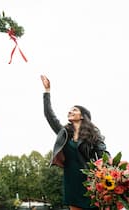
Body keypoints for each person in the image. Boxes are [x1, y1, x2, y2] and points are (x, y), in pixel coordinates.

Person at [40, 75, 109, 210]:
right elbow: (49, 116)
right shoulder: (64, 133)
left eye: (75, 110)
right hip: (71, 181)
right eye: (70, 109)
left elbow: (103, 154)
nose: (70, 111)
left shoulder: (93, 134)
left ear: (82, 116)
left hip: (91, 181)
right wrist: (47, 91)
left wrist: (109, 171)